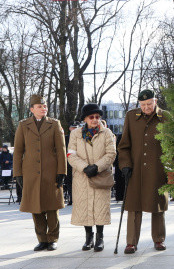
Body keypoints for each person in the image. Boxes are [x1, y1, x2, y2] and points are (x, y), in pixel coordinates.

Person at [13, 94, 66, 251]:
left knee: (52, 207)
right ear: (32, 109)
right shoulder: (23, 125)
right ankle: (42, 239)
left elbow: (61, 150)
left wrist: (62, 172)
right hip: (30, 173)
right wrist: (18, 174)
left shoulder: (54, 124)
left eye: (45, 106)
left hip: (51, 172)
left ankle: (53, 238)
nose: (44, 108)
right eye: (40, 106)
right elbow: (18, 151)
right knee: (35, 207)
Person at [118, 90, 169, 253]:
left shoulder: (165, 117)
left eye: (149, 104)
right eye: (143, 105)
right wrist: (125, 164)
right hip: (135, 169)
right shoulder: (131, 117)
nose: (146, 107)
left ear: (155, 101)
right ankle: (131, 242)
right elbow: (124, 145)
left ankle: (159, 239)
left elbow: (171, 144)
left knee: (158, 205)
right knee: (134, 206)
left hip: (158, 168)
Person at [67, 104, 116, 252]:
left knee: (100, 206)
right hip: (82, 176)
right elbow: (71, 155)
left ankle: (100, 237)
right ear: (85, 119)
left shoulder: (107, 133)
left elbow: (111, 154)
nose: (95, 120)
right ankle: (89, 237)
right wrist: (84, 167)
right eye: (91, 117)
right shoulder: (75, 134)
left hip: (100, 175)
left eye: (97, 117)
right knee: (84, 206)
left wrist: (96, 167)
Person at [65, 121, 80, 205]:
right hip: (68, 163)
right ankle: (71, 198)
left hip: (78, 163)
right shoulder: (66, 138)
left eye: (76, 128)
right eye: (73, 128)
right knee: (69, 182)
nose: (74, 129)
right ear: (70, 129)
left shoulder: (82, 137)